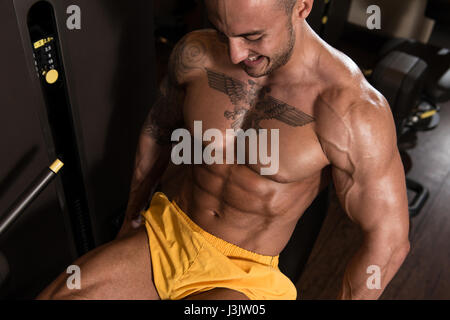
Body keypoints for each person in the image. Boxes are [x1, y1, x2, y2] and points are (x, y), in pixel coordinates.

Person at [37, 0, 410, 300]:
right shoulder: (196, 53)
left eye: (253, 36)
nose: (233, 54)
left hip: (247, 279)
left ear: (302, 6)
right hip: (169, 234)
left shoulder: (350, 109)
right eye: (222, 31)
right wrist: (130, 218)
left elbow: (388, 240)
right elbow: (158, 131)